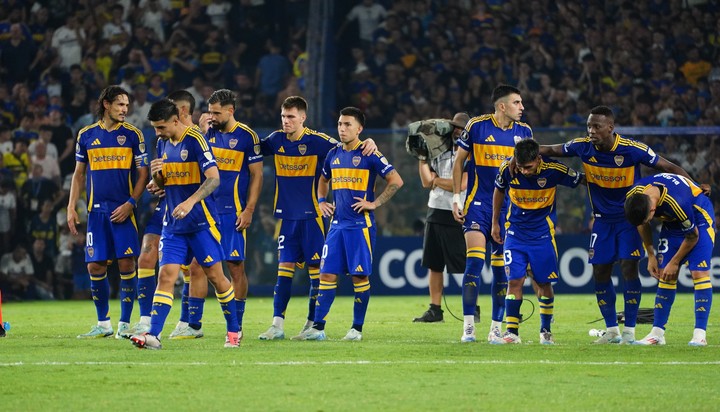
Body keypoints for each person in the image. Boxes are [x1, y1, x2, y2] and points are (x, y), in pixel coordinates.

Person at [537, 105, 704, 344]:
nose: (591, 131)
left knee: (628, 268)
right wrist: (523, 151)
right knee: (600, 272)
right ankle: (612, 330)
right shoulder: (582, 146)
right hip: (602, 221)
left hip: (630, 219)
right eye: (589, 126)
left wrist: (695, 188)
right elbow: (552, 149)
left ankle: (630, 332)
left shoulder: (632, 149)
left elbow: (669, 168)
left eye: (596, 126)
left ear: (610, 128)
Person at [257, 96, 377, 340]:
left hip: (313, 217)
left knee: (317, 273)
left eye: (291, 117)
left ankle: (312, 324)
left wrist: (369, 142)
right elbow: (252, 147)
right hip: (287, 217)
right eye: (283, 116)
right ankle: (277, 325)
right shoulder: (276, 140)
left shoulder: (319, 142)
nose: (286, 121)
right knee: (283, 273)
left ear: (303, 117)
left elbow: (348, 144)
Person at [130, 99, 239, 349]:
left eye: (161, 127)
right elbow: (165, 182)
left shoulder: (196, 140)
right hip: (174, 224)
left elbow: (214, 179)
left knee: (216, 277)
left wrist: (190, 202)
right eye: (155, 128)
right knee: (166, 275)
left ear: (176, 120)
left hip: (202, 222)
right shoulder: (162, 143)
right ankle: (153, 335)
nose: (157, 133)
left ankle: (234, 331)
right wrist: (156, 178)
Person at [293, 106, 403, 341]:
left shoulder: (370, 153)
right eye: (340, 124)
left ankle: (356, 329)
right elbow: (323, 180)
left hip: (359, 226)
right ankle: (318, 329)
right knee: (327, 276)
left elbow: (396, 180)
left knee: (359, 277)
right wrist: (322, 201)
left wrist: (375, 203)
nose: (342, 129)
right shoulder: (333, 154)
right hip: (336, 226)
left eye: (348, 125)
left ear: (359, 128)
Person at [452, 84, 533, 343]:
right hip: (478, 204)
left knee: (502, 272)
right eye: (517, 103)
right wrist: (456, 198)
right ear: (502, 106)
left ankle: (496, 328)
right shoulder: (476, 126)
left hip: (508, 211)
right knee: (474, 263)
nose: (522, 108)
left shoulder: (525, 132)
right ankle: (468, 328)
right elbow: (458, 162)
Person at [67, 85, 148, 339]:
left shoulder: (134, 135)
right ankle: (103, 324)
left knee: (126, 263)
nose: (125, 109)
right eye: (120, 105)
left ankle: (124, 324)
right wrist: (71, 206)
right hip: (96, 213)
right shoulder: (87, 135)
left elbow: (143, 174)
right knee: (95, 267)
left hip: (123, 211)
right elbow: (79, 174)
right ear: (106, 105)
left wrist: (131, 204)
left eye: (127, 105)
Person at [120, 90, 200, 340]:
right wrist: (157, 181)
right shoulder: (163, 138)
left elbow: (209, 176)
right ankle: (146, 320)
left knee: (189, 268)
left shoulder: (200, 137)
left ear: (182, 112)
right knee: (145, 257)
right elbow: (160, 179)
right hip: (165, 206)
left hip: (190, 209)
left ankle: (188, 322)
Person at [491, 139, 584, 344]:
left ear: (538, 159)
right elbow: (498, 190)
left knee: (543, 282)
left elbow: (582, 180)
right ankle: (511, 333)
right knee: (514, 281)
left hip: (543, 235)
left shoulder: (553, 170)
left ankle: (545, 330)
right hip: (515, 233)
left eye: (529, 167)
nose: (524, 171)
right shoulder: (508, 168)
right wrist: (494, 223)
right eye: (521, 166)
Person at [198, 88, 262, 343]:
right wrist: (202, 130)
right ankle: (191, 322)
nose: (211, 116)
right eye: (209, 111)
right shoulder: (205, 133)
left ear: (230, 111)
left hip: (232, 212)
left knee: (235, 267)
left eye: (216, 112)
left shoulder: (247, 137)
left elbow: (257, 176)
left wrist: (248, 210)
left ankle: (237, 324)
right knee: (199, 267)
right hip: (206, 211)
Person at [625, 173, 714, 346]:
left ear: (652, 209)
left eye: (648, 219)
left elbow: (692, 236)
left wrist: (675, 262)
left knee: (698, 272)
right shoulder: (634, 196)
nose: (646, 222)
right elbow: (641, 224)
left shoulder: (677, 201)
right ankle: (657, 334)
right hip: (672, 222)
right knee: (665, 275)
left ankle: (699, 335)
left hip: (698, 217)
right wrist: (650, 254)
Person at [413, 112, 471, 323]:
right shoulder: (437, 150)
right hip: (435, 210)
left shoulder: (471, 153)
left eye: (461, 128)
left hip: (460, 211)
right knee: (434, 264)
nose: (457, 131)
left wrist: (437, 180)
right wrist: (422, 157)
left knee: (465, 265)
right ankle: (435, 309)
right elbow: (426, 182)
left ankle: (472, 306)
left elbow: (462, 184)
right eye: (455, 127)